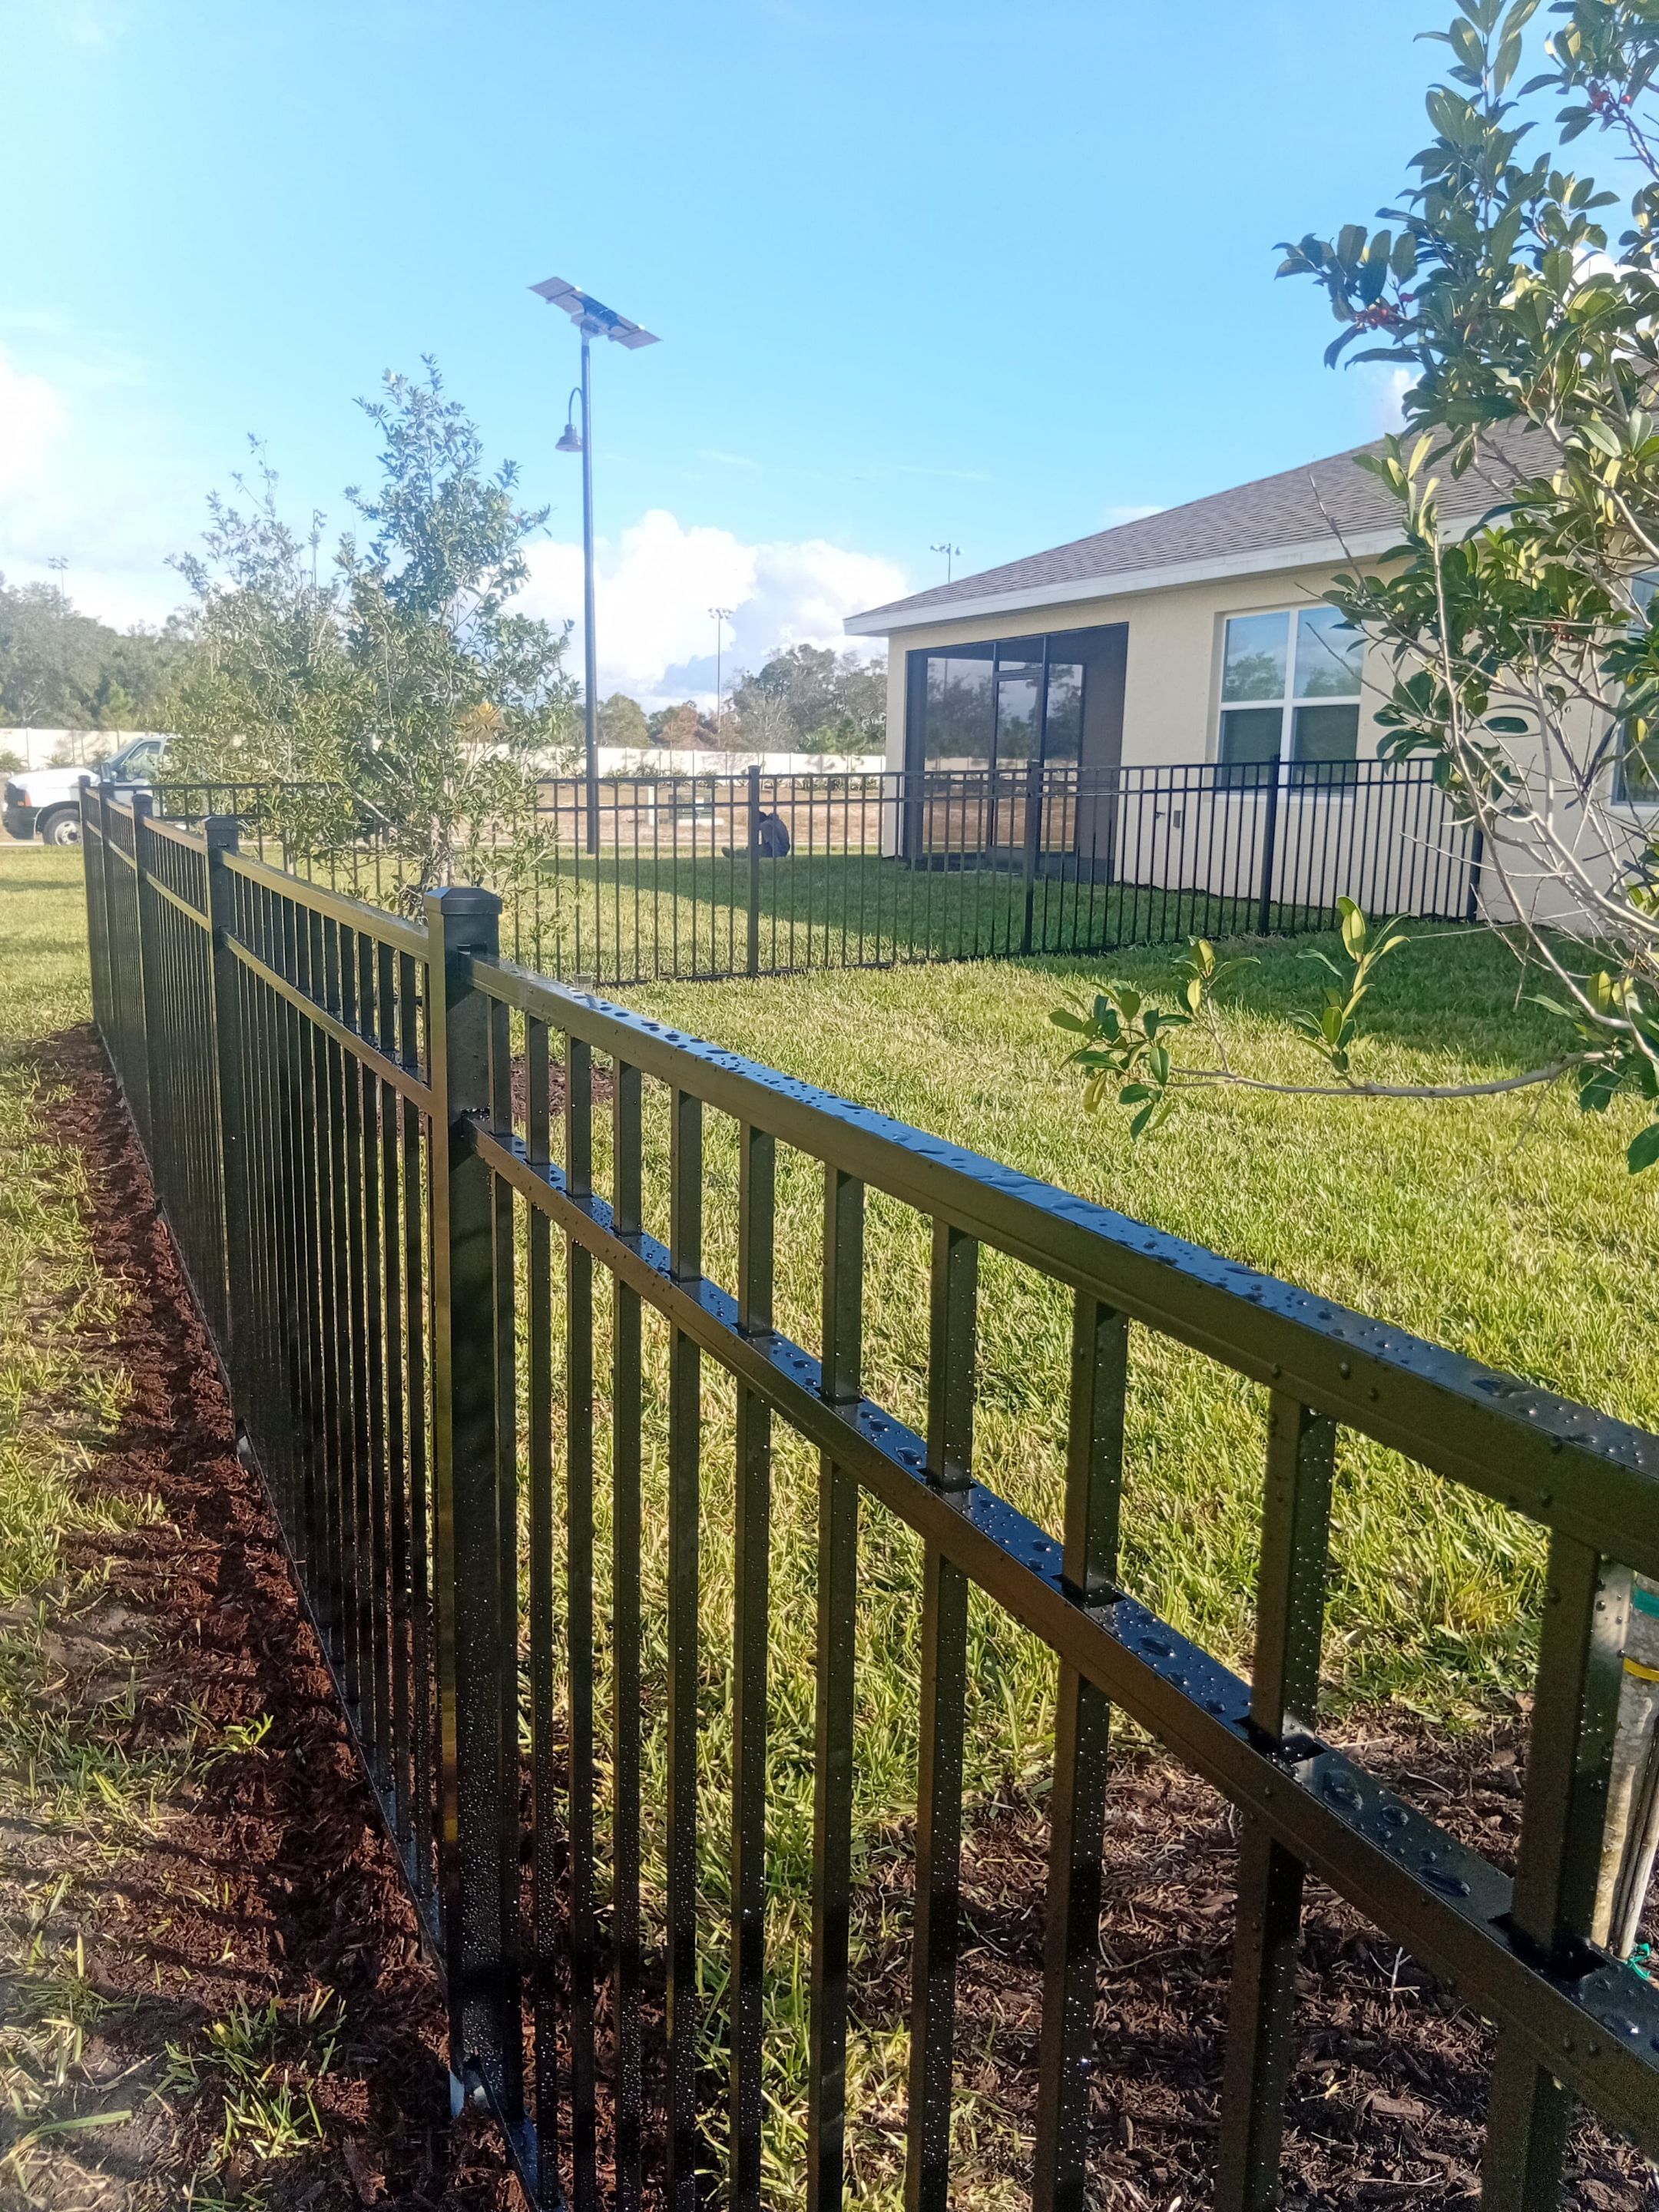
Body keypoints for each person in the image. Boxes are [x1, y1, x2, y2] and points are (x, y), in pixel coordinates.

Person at [724, 809, 791, 859]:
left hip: (774, 854)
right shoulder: (776, 822)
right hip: (782, 850)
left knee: (741, 852)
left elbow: (774, 844)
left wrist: (777, 859)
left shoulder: (765, 826)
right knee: (750, 849)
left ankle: (736, 855)